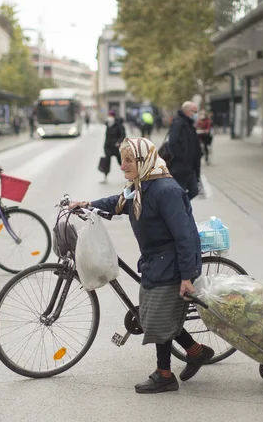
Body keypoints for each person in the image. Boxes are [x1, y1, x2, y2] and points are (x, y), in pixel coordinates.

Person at [70, 137, 214, 394]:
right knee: (155, 314)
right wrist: (88, 204)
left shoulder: (165, 191)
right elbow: (118, 203)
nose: (123, 166)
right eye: (122, 160)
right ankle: (195, 351)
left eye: (128, 160)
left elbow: (185, 236)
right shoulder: (142, 185)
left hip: (170, 263)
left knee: (157, 318)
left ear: (144, 160)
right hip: (154, 261)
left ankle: (165, 375)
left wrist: (186, 277)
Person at [167, 101, 202, 200]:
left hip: (190, 168)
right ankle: (180, 211)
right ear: (186, 111)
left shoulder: (189, 124)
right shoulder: (178, 123)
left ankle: (181, 208)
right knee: (181, 193)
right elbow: (172, 142)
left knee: (194, 191)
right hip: (180, 168)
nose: (196, 114)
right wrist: (182, 158)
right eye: (194, 112)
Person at [102, 110, 126, 182]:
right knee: (107, 161)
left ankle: (129, 175)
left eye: (110, 116)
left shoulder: (119, 125)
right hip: (108, 146)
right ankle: (105, 177)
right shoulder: (108, 124)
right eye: (108, 116)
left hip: (116, 147)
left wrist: (119, 142)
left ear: (113, 116)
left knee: (120, 161)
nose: (109, 117)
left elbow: (123, 134)